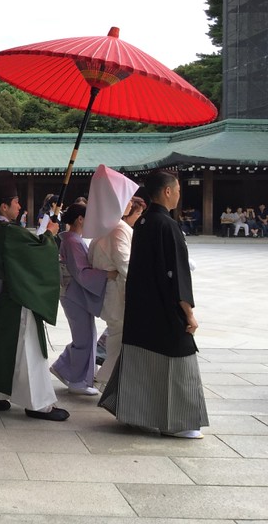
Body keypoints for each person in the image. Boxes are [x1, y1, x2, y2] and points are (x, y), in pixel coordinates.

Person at [99, 170, 208, 439]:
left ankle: (137, 415)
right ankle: (179, 423)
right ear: (168, 191)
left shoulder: (144, 222)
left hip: (142, 308)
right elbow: (176, 273)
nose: (180, 194)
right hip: (164, 309)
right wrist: (188, 313)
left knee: (141, 361)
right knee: (178, 361)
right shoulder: (168, 226)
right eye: (179, 189)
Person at [0, 171, 68, 421]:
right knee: (29, 350)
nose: (20, 206)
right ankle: (39, 403)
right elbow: (37, 252)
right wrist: (51, 235)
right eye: (16, 202)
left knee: (5, 349)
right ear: (4, 206)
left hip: (7, 300)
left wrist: (48, 231)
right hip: (19, 299)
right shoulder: (8, 232)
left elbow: (29, 246)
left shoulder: (3, 231)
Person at [83, 165, 141, 386]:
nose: (130, 203)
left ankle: (104, 380)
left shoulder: (105, 228)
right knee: (118, 340)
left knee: (116, 339)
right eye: (127, 199)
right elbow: (125, 264)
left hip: (109, 292)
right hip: (118, 294)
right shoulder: (118, 229)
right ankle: (104, 381)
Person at [51, 203, 116, 396]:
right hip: (74, 294)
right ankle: (76, 380)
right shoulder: (73, 241)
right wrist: (106, 274)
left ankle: (65, 369)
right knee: (84, 338)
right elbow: (82, 273)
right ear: (80, 219)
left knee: (85, 336)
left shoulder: (72, 240)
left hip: (73, 293)